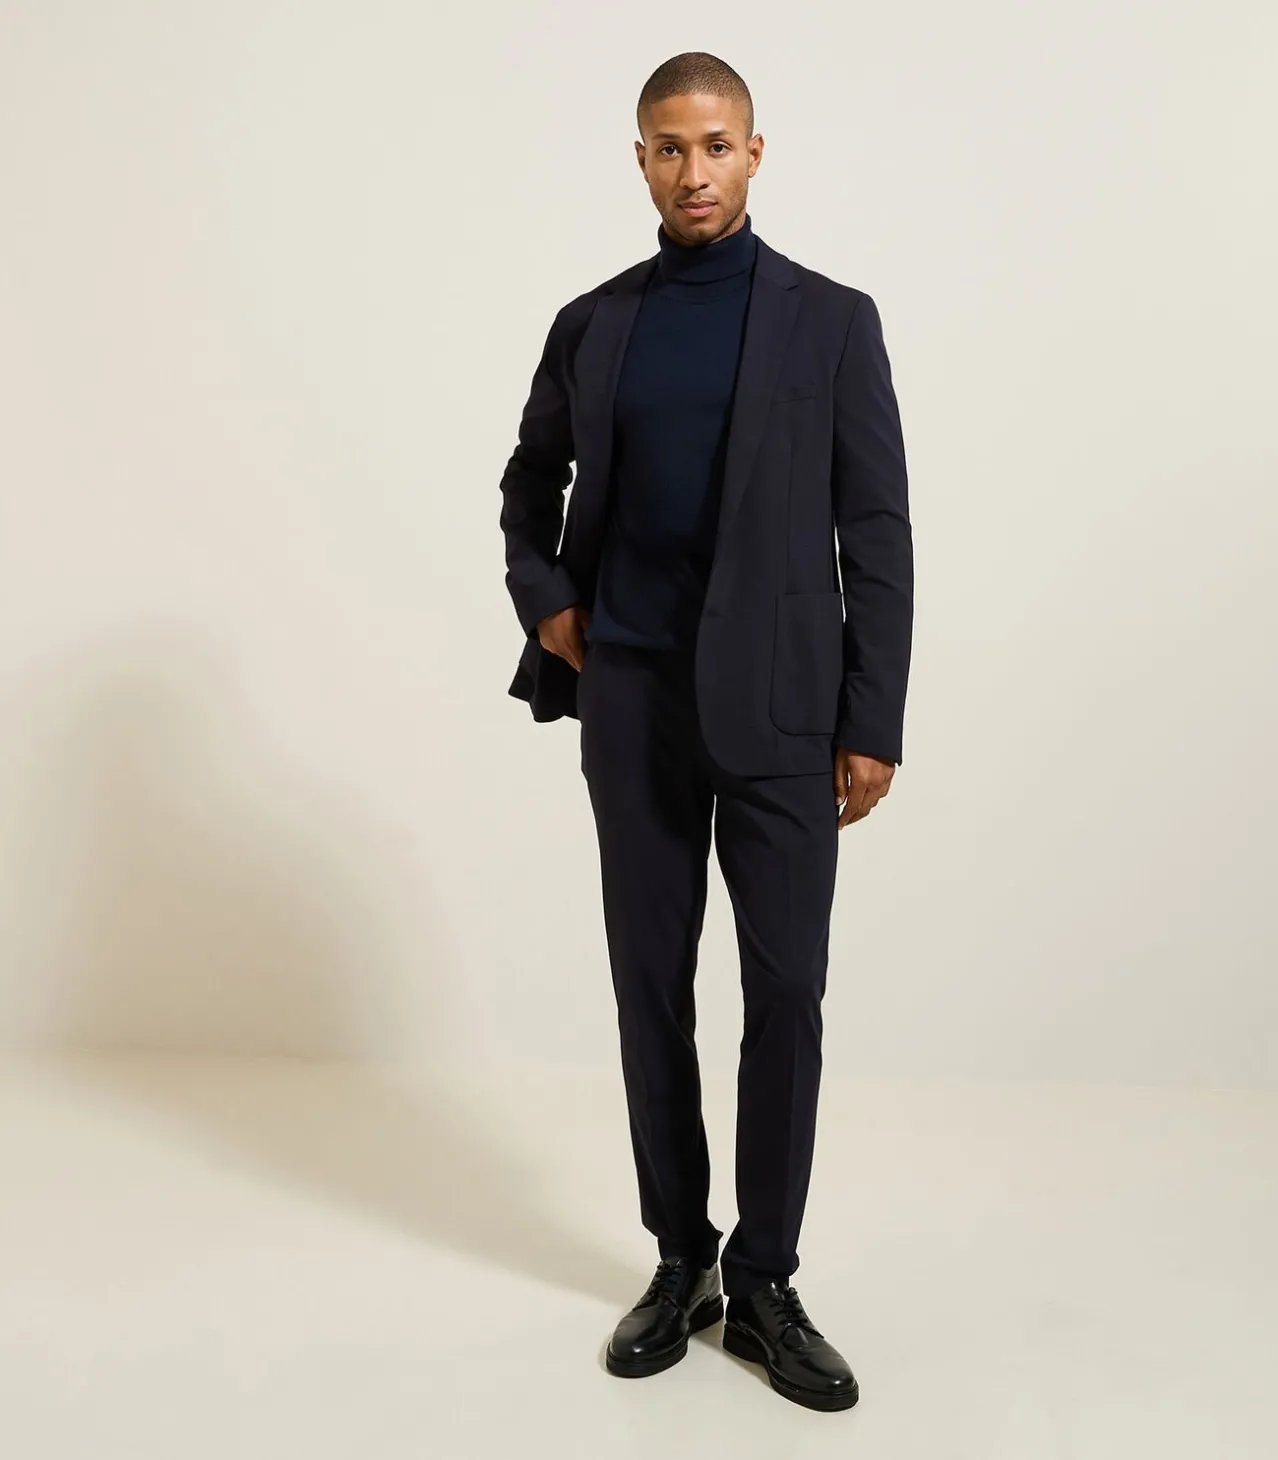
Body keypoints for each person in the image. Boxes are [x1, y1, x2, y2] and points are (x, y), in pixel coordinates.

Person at [497, 50, 913, 1413]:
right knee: (651, 986)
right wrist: (553, 604)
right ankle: (681, 1258)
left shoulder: (830, 322)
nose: (694, 171)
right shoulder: (595, 323)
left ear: (755, 152)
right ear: (640, 160)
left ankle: (768, 1278)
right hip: (632, 702)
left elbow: (878, 530)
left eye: (716, 145)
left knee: (785, 992)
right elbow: (528, 483)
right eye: (669, 148)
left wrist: (872, 717)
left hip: (787, 708)